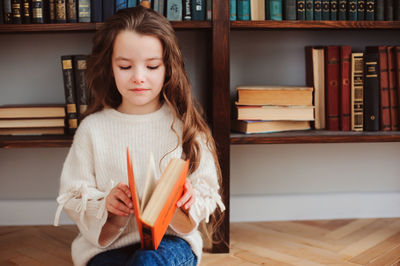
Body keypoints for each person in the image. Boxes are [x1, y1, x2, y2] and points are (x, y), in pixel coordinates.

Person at [53, 6, 225, 266]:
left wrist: (188, 200)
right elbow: (74, 193)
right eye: (125, 66)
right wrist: (107, 205)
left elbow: (207, 190)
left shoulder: (187, 126)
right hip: (106, 248)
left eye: (152, 66)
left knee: (148, 262)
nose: (138, 78)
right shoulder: (93, 128)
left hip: (171, 242)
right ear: (109, 66)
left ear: (168, 67)